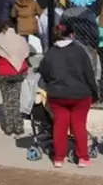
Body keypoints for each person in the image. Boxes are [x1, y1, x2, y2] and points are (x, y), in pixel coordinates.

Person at [39, 21, 98, 168]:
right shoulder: (80, 51)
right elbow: (89, 74)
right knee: (78, 124)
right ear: (72, 35)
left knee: (60, 124)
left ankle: (59, 157)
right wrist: (94, 93)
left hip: (57, 94)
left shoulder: (50, 53)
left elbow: (44, 72)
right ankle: (83, 157)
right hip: (80, 94)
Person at [0, 23, 30, 136]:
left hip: (3, 72)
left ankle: (9, 126)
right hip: (18, 71)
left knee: (7, 99)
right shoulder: (20, 40)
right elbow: (26, 53)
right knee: (17, 99)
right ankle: (18, 126)